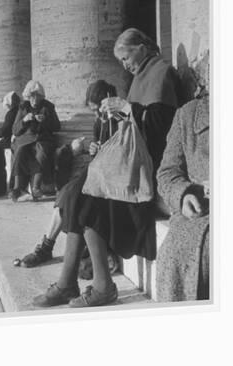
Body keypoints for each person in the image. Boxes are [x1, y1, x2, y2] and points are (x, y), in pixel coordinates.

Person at [35, 28, 181, 308]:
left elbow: (165, 126)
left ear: (142, 46)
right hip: (130, 162)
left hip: (147, 168)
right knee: (75, 192)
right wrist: (118, 114)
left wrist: (127, 109)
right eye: (121, 61)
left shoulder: (162, 72)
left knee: (86, 198)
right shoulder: (140, 77)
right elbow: (137, 120)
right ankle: (69, 283)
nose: (125, 65)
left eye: (126, 58)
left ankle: (101, 285)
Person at [18, 81, 116, 268]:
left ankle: (46, 248)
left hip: (112, 175)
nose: (97, 115)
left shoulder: (120, 120)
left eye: (99, 110)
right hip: (98, 170)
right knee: (66, 193)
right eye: (93, 111)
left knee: (72, 195)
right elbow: (98, 147)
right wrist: (94, 148)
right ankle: (46, 246)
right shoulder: (99, 122)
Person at [156, 91, 209, 302]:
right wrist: (184, 194)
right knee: (175, 257)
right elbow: (167, 173)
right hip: (198, 215)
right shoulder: (188, 114)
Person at [9, 80, 61, 201]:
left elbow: (57, 126)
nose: (35, 99)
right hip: (25, 139)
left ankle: (36, 187)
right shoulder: (23, 107)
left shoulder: (48, 106)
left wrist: (46, 120)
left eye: (38, 96)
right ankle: (18, 188)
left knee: (41, 153)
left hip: (43, 139)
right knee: (20, 152)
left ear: (42, 96)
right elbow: (15, 130)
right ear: (28, 96)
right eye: (32, 96)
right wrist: (25, 120)